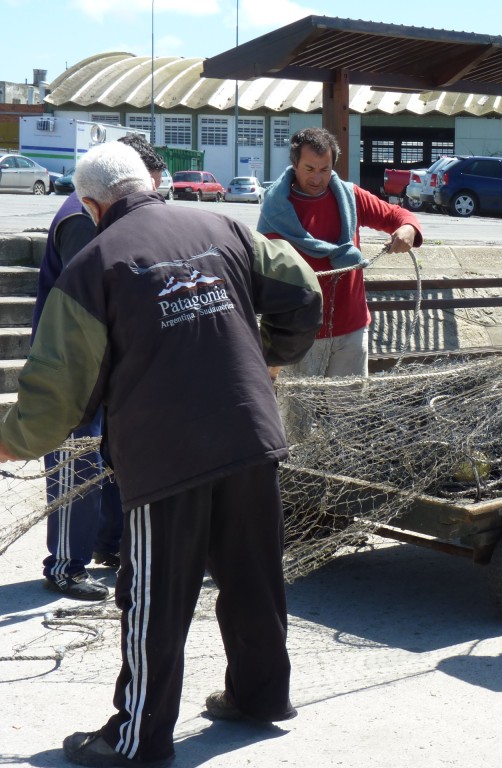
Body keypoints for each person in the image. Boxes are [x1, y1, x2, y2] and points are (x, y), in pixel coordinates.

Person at [0, 141, 323, 767]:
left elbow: (56, 392)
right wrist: (272, 354)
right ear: (149, 182)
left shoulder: (92, 266)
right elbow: (302, 288)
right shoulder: (222, 224)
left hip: (168, 452)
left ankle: (136, 740)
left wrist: (10, 441)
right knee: (253, 575)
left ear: (92, 205)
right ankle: (262, 697)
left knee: (154, 596)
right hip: (250, 434)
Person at [33, 135, 169, 601]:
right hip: (72, 363)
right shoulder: (79, 218)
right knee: (78, 461)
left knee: (113, 454)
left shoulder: (105, 210)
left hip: (106, 357)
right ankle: (66, 565)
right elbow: (91, 299)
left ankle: (109, 546)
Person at [257, 126, 423, 379]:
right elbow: (263, 277)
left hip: (351, 329)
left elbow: (396, 215)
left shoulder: (350, 196)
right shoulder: (275, 209)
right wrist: (272, 349)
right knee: (296, 415)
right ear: (294, 164)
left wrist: (408, 228)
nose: (317, 179)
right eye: (309, 169)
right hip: (296, 334)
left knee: (348, 412)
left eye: (325, 170)